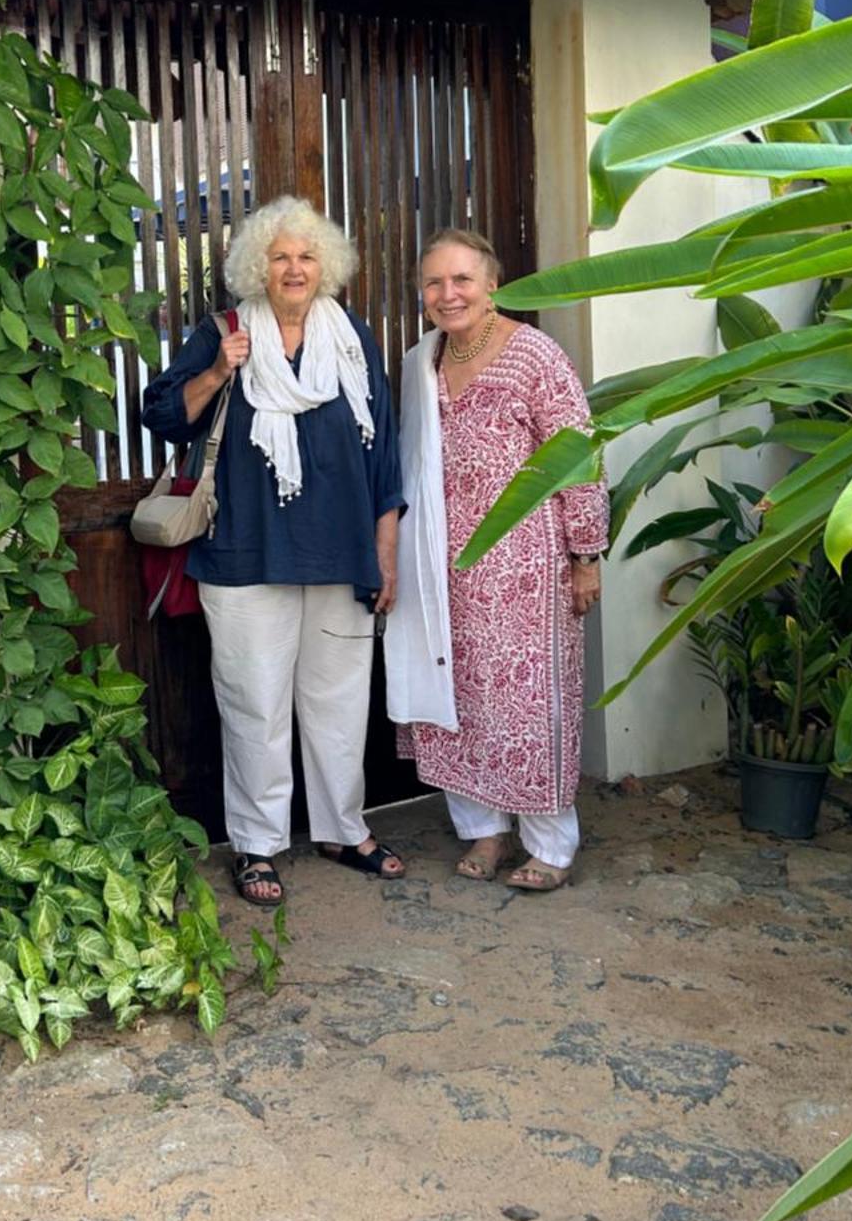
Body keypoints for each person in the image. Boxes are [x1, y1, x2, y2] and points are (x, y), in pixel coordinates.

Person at [142, 196, 403, 908]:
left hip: (342, 550)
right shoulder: (223, 333)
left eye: (308, 255)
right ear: (259, 265)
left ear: (328, 268)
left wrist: (385, 547)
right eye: (282, 256)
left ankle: (344, 829)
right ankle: (257, 846)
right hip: (245, 552)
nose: (295, 268)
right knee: (254, 704)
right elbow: (161, 412)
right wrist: (218, 373)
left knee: (341, 700)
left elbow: (385, 443)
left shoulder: (350, 336)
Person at [386, 227, 608, 892]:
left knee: (529, 706)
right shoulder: (420, 365)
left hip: (527, 573)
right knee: (457, 700)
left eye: (461, 280)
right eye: (434, 282)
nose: (446, 294)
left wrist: (586, 554)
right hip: (442, 571)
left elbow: (579, 457)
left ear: (492, 286)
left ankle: (549, 845)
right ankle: (483, 831)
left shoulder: (534, 356)